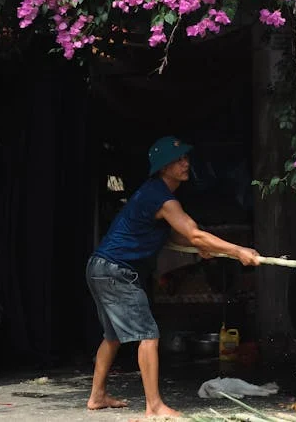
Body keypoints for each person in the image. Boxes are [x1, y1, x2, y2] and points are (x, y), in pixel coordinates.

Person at [85, 135, 261, 415]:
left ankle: (97, 396)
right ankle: (154, 407)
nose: (185, 163)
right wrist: (238, 250)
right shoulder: (161, 197)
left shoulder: (155, 194)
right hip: (116, 270)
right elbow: (193, 232)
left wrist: (202, 247)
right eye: (177, 160)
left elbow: (186, 237)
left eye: (185, 158)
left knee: (113, 335)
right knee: (149, 335)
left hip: (100, 268)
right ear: (162, 167)